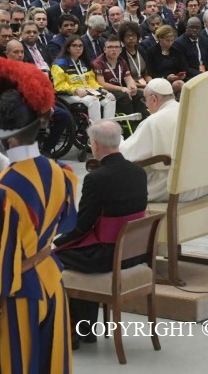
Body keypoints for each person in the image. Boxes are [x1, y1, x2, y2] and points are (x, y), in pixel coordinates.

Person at [0, 57, 78, 374]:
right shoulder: (63, 173)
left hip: (16, 297)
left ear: (7, 134)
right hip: (51, 282)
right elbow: (67, 222)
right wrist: (9, 167)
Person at [53, 121, 148, 349]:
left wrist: (56, 243)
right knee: (75, 254)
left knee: (53, 259)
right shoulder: (139, 173)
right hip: (134, 254)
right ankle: (85, 330)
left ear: (94, 145)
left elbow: (82, 226)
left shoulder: (96, 179)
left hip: (108, 255)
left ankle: (73, 333)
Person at [118, 78, 206, 202]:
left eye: (145, 100)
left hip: (171, 186)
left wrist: (118, 141)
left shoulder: (154, 121)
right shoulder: (191, 111)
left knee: (112, 184)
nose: (146, 105)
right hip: (200, 182)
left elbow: (127, 155)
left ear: (154, 99)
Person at [51, 34, 116, 123]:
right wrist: (75, 90)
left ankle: (108, 130)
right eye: (74, 45)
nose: (78, 48)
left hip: (87, 91)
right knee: (93, 101)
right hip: (68, 94)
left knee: (110, 99)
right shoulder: (59, 64)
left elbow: (91, 81)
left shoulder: (84, 63)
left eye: (80, 46)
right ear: (68, 48)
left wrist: (100, 89)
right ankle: (96, 134)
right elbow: (59, 86)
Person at [93, 34, 148, 121]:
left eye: (116, 47)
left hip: (121, 89)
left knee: (139, 94)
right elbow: (101, 84)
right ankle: (129, 127)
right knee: (124, 97)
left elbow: (128, 78)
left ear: (120, 49)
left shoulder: (122, 61)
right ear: (105, 50)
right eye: (110, 47)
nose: (114, 49)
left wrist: (132, 87)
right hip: (106, 91)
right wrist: (121, 88)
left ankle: (143, 123)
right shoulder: (98, 63)